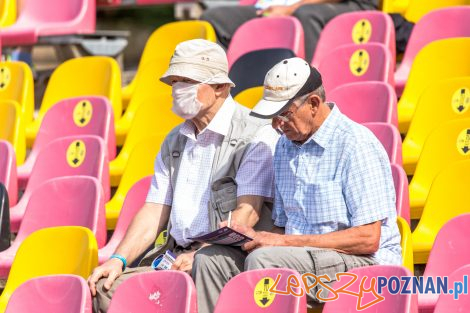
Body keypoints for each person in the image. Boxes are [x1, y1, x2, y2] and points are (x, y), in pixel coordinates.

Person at [192, 57, 402, 311]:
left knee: (266, 260)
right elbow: (285, 230)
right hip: (304, 257)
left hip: (367, 266)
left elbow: (368, 239)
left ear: (313, 103)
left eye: (283, 114)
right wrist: (251, 236)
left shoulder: (355, 144)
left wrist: (282, 243)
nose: (276, 125)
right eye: (272, 116)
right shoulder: (285, 146)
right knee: (209, 260)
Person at [87, 39, 279, 312]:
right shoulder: (174, 140)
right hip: (176, 253)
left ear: (220, 87)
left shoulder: (255, 134)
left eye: (187, 81)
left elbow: (247, 215)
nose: (178, 90)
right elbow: (155, 209)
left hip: (228, 255)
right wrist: (117, 259)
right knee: (104, 290)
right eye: (174, 82)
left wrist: (199, 253)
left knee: (205, 264)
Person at [201, 0, 378, 63]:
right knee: (215, 18)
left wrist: (293, 7)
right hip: (275, 6)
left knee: (305, 15)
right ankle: (223, 92)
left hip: (345, 5)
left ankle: (307, 91)